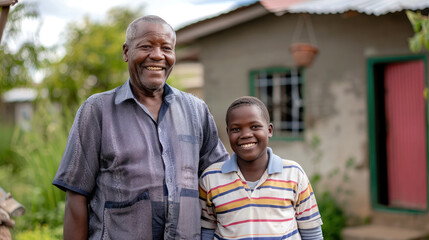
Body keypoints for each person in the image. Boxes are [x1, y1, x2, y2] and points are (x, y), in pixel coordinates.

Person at [53, 15, 229, 240]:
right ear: (126, 52)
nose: (157, 55)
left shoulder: (196, 110)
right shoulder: (97, 110)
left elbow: (219, 179)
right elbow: (76, 196)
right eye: (146, 46)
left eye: (166, 48)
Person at [199, 96, 323, 240]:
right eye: (236, 129)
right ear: (228, 133)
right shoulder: (211, 178)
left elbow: (311, 232)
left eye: (255, 126)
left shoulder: (293, 173)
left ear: (269, 130)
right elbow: (207, 231)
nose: (246, 134)